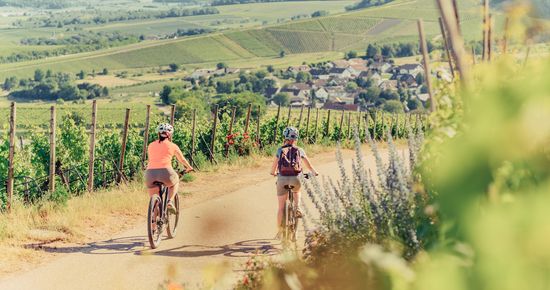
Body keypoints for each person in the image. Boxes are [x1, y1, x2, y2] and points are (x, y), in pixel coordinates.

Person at [270, 126, 318, 233]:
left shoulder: (280, 150)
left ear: (285, 137)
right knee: (297, 191)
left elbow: (273, 168)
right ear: (296, 138)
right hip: (296, 179)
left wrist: (273, 173)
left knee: (281, 208)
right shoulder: (300, 150)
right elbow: (309, 166)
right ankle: (297, 208)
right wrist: (314, 172)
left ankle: (279, 232)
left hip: (282, 179)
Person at [145, 123, 193, 208]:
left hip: (150, 174)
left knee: (155, 205)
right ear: (170, 135)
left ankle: (154, 219)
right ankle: (170, 201)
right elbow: (182, 160)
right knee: (175, 181)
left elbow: (151, 159)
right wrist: (189, 167)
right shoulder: (173, 146)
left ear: (158, 134)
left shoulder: (150, 145)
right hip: (166, 172)